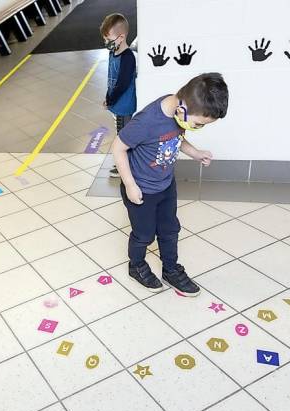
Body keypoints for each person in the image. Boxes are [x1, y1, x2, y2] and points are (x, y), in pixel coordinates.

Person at [112, 73, 229, 296]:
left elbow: (177, 139)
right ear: (182, 107)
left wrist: (195, 153)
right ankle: (136, 266)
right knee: (144, 235)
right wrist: (129, 184)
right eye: (198, 124)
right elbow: (118, 147)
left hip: (165, 185)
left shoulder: (178, 112)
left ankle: (171, 270)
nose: (197, 128)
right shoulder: (146, 121)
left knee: (170, 230)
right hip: (141, 189)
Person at [100, 13, 137, 178]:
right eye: (105, 40)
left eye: (109, 40)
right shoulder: (112, 54)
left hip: (124, 106)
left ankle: (126, 168)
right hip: (116, 104)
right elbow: (111, 79)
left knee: (124, 138)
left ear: (121, 37)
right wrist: (108, 96)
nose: (106, 44)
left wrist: (110, 99)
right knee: (120, 134)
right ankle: (124, 164)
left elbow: (122, 84)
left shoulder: (128, 58)